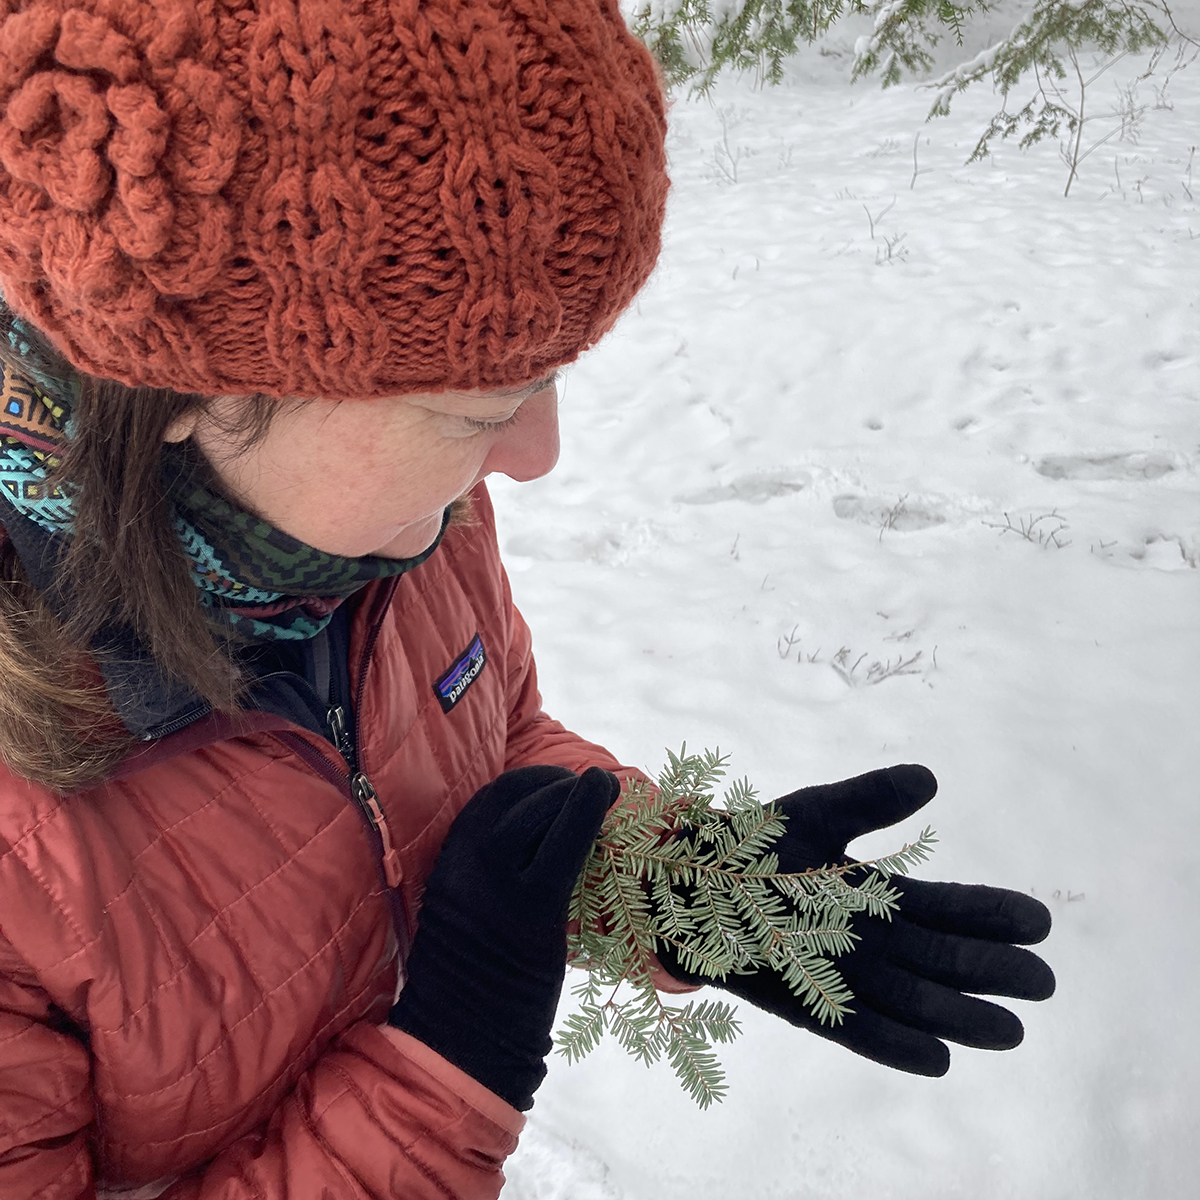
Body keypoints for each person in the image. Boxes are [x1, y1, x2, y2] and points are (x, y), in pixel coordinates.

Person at [0, 2, 1054, 1197]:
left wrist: (664, 884)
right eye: (474, 408)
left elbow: (479, 753)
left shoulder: (398, 531)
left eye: (547, 378)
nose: (536, 454)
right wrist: (448, 1066)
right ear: (183, 390)